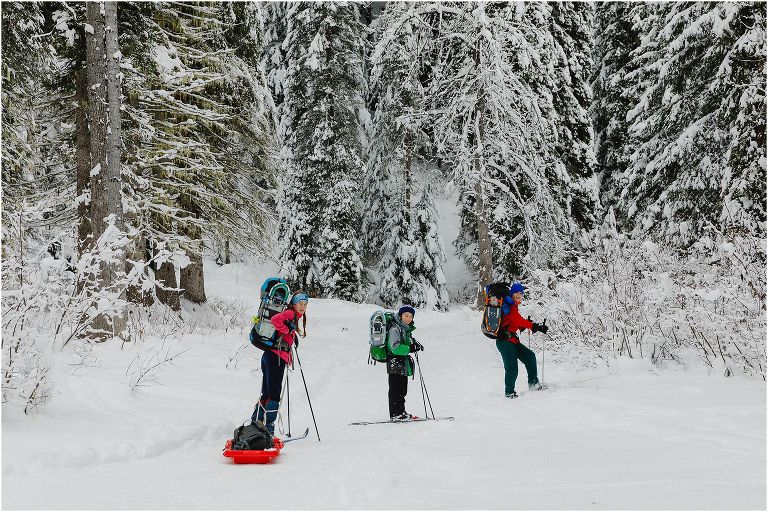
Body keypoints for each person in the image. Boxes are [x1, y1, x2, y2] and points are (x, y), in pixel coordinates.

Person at [251, 292, 308, 434]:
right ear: (293, 304)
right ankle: (268, 427)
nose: (303, 307)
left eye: (305, 304)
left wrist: (291, 335)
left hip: (269, 356)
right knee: (274, 394)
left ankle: (255, 424)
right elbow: (276, 319)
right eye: (300, 303)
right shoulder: (290, 313)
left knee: (267, 393)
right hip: (275, 358)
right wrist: (287, 329)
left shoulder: (292, 316)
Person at [496, 282, 549, 398]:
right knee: (512, 368)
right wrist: (535, 326)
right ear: (512, 293)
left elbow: (516, 322)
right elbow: (518, 319)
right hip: (505, 341)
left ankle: (533, 384)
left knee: (530, 357)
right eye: (517, 293)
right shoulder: (509, 306)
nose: (519, 295)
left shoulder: (513, 306)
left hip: (512, 340)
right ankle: (509, 392)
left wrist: (527, 325)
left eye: (521, 293)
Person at [386, 304, 424, 420]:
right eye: (406, 315)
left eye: (411, 317)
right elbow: (395, 347)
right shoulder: (395, 328)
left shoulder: (404, 329)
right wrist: (409, 349)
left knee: (402, 389)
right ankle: (396, 414)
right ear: (401, 315)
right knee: (396, 389)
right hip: (394, 361)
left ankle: (401, 412)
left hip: (402, 362)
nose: (408, 318)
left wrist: (414, 344)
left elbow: (406, 342)